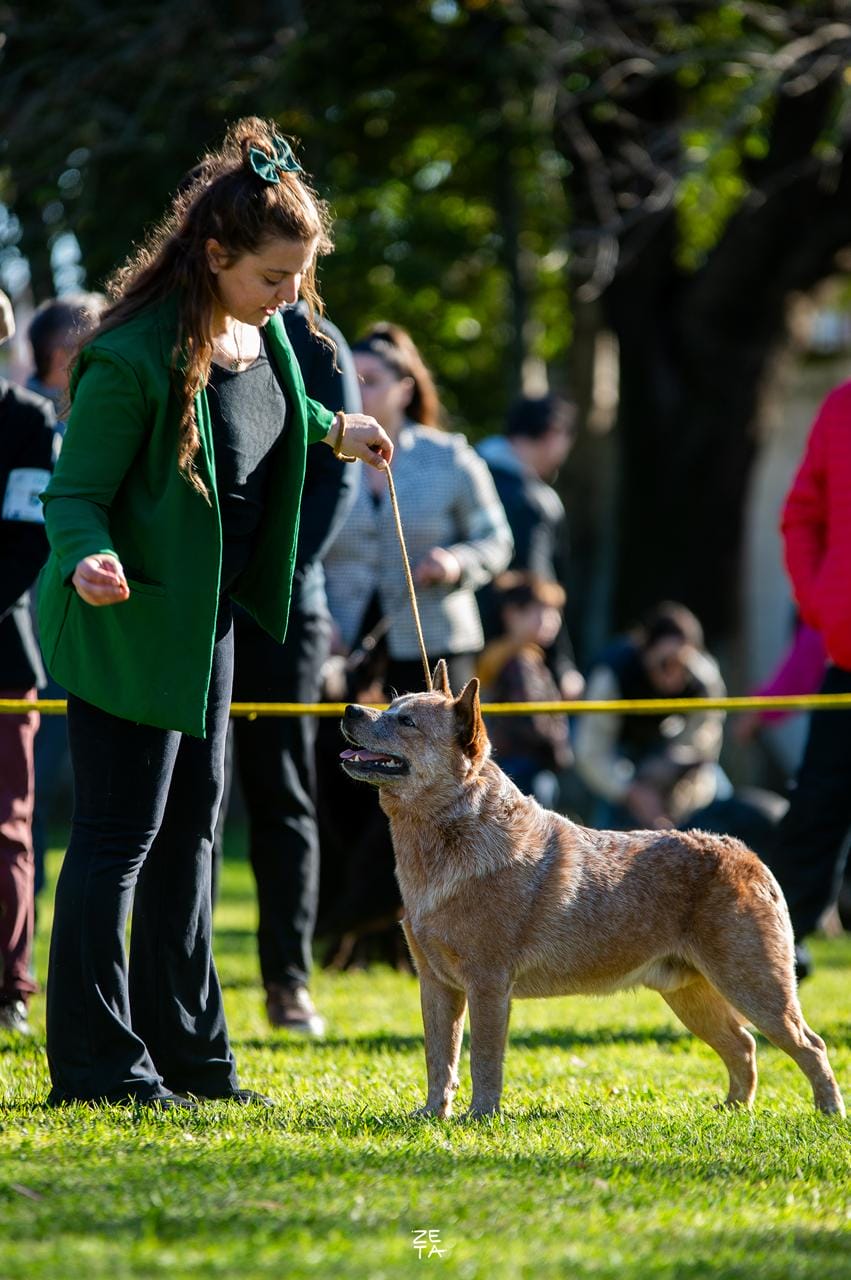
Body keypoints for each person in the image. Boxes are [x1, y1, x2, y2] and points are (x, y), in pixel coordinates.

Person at [36, 117, 393, 1108]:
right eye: (275, 276)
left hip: (210, 623)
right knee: (117, 841)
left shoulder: (266, 333)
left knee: (193, 832)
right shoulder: (130, 356)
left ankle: (193, 1059)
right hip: (127, 619)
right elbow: (74, 494)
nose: (292, 297)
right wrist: (87, 555)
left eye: (299, 278)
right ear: (213, 252)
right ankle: (100, 1068)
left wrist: (339, 427)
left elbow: (275, 414)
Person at [316, 322, 512, 956]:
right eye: (355, 380)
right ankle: (356, 939)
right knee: (343, 787)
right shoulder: (325, 455)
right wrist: (317, 628)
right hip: (341, 645)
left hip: (432, 643)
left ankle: (380, 925)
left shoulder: (450, 457)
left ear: (405, 388)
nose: (361, 390)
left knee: (428, 791)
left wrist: (456, 563)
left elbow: (496, 539)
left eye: (372, 380)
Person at [215, 299, 361, 1034]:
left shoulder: (318, 343)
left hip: (287, 603)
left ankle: (287, 980)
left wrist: (275, 568)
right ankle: (186, 978)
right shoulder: (198, 327)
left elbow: (338, 479)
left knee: (281, 791)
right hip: (203, 595)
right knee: (190, 795)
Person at [764, 380, 851, 977]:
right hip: (845, 657)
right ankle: (777, 949)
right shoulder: (841, 405)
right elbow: (802, 515)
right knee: (816, 805)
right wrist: (824, 603)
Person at [26, 296, 105, 899]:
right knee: (29, 787)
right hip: (30, 634)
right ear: (64, 357)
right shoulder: (31, 425)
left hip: (67, 630)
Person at [0, 289, 58, 1034]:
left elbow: (28, 536)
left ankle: (9, 984)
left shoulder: (27, 420)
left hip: (3, 658)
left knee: (6, 825)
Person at [573, 602, 727, 830]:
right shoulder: (612, 676)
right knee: (608, 824)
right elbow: (592, 753)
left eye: (682, 666)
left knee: (718, 793)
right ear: (647, 652)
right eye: (666, 664)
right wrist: (632, 790)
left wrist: (673, 772)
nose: (674, 677)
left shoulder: (704, 680)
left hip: (665, 750)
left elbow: (705, 742)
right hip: (616, 755)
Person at [476, 392, 583, 699]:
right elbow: (542, 588)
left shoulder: (463, 473)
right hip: (515, 664)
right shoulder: (535, 503)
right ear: (554, 435)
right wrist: (562, 666)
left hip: (454, 646)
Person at [477, 572, 571, 805]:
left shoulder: (506, 655)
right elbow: (533, 717)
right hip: (526, 767)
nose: (551, 620)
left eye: (554, 612)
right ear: (511, 615)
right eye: (540, 611)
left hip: (508, 764)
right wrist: (558, 750)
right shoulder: (519, 662)